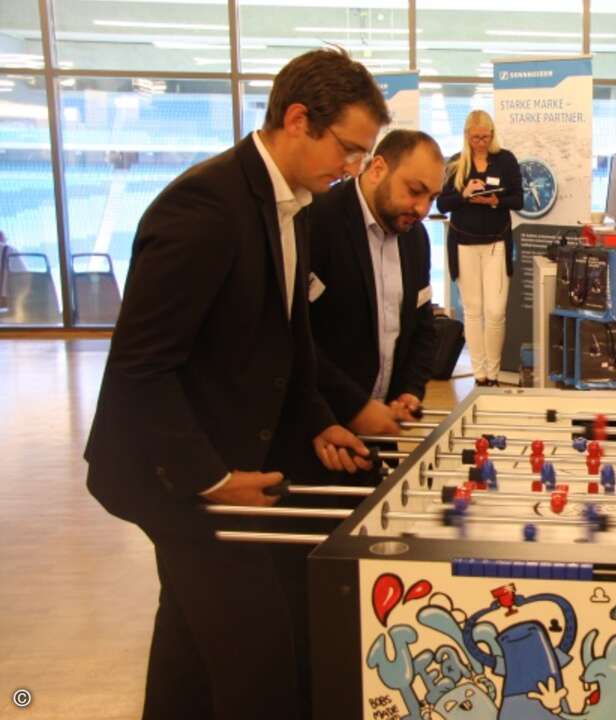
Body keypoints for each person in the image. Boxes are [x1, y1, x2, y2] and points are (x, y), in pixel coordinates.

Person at [84, 48, 388, 720]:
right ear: (298, 118)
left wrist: (317, 419)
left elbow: (288, 341)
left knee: (190, 652)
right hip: (173, 475)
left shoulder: (296, 204)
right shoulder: (204, 205)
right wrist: (210, 479)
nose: (352, 170)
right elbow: (141, 365)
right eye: (348, 149)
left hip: (223, 458)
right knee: (262, 664)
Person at [308, 129, 444, 435]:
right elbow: (297, 339)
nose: (423, 209)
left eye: (432, 198)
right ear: (378, 169)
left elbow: (422, 325)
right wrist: (352, 408)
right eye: (414, 190)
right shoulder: (316, 221)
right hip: (320, 429)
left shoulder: (416, 238)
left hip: (381, 429)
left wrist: (409, 391)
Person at [436, 110, 522, 386]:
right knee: (473, 311)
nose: (481, 143)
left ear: (493, 135)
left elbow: (518, 199)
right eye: (476, 138)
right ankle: (479, 374)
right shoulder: (456, 163)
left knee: (496, 311)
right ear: (467, 137)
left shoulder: (505, 160)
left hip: (496, 243)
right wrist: (465, 194)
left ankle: (494, 373)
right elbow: (442, 204)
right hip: (464, 244)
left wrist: (495, 200)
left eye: (485, 137)